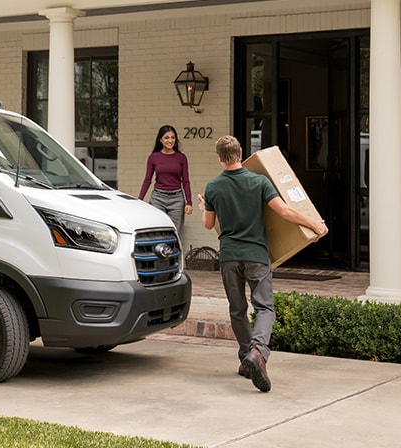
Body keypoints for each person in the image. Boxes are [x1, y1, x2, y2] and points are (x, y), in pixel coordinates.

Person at [198, 135, 328, 392]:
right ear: (241, 152)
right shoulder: (259, 181)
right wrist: (314, 224)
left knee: (237, 310)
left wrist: (204, 207)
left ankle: (247, 358)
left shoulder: (213, 187)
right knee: (265, 308)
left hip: (229, 256)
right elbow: (285, 212)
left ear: (219, 158)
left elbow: (209, 224)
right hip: (256, 254)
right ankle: (258, 353)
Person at [139, 125, 193, 238]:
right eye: (167, 138)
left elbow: (186, 181)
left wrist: (189, 202)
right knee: (157, 231)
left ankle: (174, 256)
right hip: (158, 198)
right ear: (160, 140)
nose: (170, 140)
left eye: (173, 137)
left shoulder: (181, 157)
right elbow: (147, 180)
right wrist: (140, 199)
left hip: (177, 199)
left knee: (175, 234)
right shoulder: (153, 157)